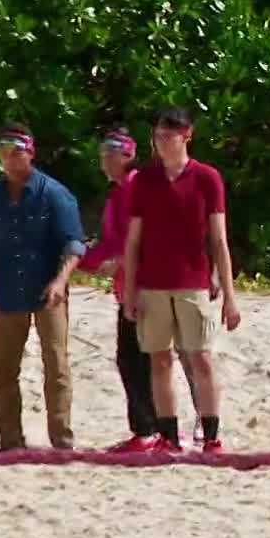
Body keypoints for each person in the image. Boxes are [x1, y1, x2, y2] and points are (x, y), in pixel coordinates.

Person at [0, 124, 86, 451]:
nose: (10, 160)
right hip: (6, 289)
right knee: (4, 369)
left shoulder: (54, 194)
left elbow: (74, 244)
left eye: (16, 152)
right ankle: (11, 439)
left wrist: (60, 280)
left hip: (47, 291)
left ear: (30, 153)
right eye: (4, 153)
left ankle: (61, 438)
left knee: (56, 365)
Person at [121, 107, 241, 453]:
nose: (161, 142)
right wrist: (129, 291)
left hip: (194, 282)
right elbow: (133, 241)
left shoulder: (206, 178)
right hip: (152, 284)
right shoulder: (144, 180)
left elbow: (219, 240)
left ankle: (212, 435)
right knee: (159, 360)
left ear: (186, 136)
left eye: (168, 136)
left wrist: (230, 296)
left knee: (201, 357)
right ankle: (168, 436)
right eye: (157, 136)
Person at [80, 129, 205, 452]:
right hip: (129, 289)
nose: (105, 161)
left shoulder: (138, 186)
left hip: (150, 287)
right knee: (133, 360)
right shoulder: (117, 193)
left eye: (111, 155)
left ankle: (167, 429)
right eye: (102, 155)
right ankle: (148, 430)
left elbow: (147, 238)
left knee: (160, 359)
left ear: (128, 156)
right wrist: (80, 258)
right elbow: (111, 244)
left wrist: (119, 262)